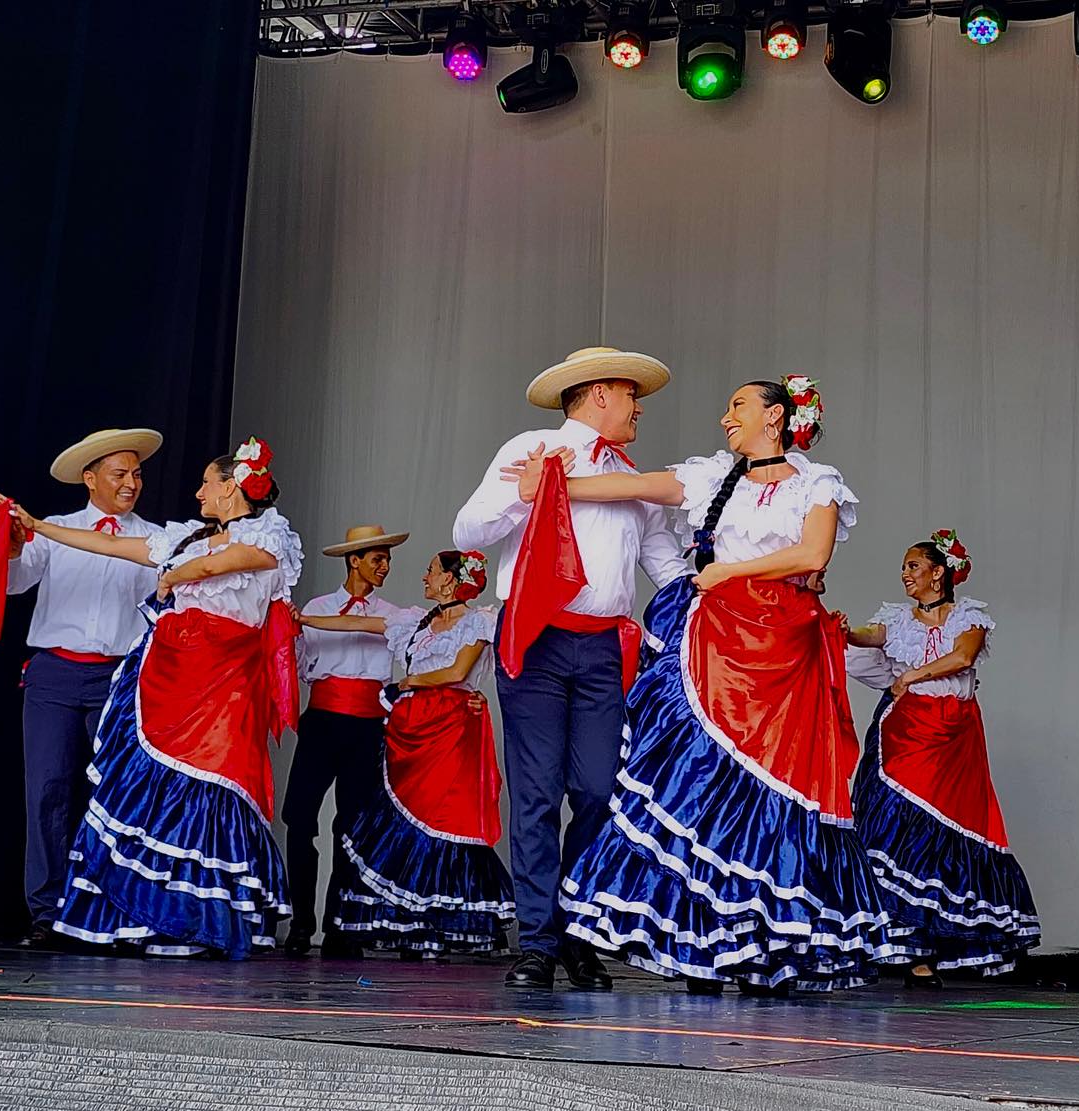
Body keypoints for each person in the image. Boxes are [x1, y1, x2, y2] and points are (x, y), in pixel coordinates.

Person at [514, 376, 897, 996]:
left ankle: (771, 946)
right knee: (704, 791)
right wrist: (555, 487)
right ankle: (710, 941)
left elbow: (811, 555)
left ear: (775, 416)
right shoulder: (713, 475)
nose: (726, 417)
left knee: (775, 797)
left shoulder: (816, 483)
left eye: (738, 405)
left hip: (780, 657)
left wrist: (728, 571)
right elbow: (633, 487)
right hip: (713, 648)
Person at [0, 436, 302, 958]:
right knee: (131, 797)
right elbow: (108, 546)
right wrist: (39, 527)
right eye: (120, 473)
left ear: (231, 488)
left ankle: (202, 918)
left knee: (205, 795)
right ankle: (123, 915)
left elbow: (221, 565)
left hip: (220, 685)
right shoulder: (184, 538)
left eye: (206, 482)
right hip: (163, 682)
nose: (195, 490)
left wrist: (172, 577)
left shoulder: (262, 534)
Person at [453, 347, 685, 991]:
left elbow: (667, 570)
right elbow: (468, 530)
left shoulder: (633, 480)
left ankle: (578, 930)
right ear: (601, 393)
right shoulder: (532, 448)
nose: (639, 407)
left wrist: (722, 601)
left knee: (597, 789)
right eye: (632, 394)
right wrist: (520, 497)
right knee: (535, 792)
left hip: (606, 648)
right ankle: (537, 940)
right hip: (536, 636)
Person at [842, 531, 1040, 987]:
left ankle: (937, 945)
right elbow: (867, 637)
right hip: (905, 731)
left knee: (949, 828)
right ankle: (912, 952)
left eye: (914, 566)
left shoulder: (968, 617)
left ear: (939, 572)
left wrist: (914, 673)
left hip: (953, 735)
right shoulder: (897, 620)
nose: (905, 574)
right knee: (898, 827)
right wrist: (841, 629)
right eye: (904, 567)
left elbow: (964, 655)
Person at [296, 549, 514, 958]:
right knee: (404, 821)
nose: (424, 577)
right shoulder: (415, 621)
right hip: (411, 729)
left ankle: (440, 922)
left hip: (450, 729)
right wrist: (304, 619)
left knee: (442, 818)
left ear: (451, 579)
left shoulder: (478, 621)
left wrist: (412, 679)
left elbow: (456, 674)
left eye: (431, 570)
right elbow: (357, 622)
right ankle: (409, 922)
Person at [0, 428, 164, 949]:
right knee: (46, 789)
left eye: (137, 473)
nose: (132, 483)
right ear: (90, 479)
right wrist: (11, 541)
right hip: (53, 675)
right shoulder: (57, 530)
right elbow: (12, 582)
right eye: (120, 474)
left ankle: (112, 912)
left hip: (119, 679)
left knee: (115, 797)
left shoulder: (154, 540)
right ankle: (47, 911)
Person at [284, 524, 411, 959]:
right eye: (378, 558)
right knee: (299, 819)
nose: (385, 566)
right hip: (322, 720)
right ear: (354, 560)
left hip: (368, 727)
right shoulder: (318, 607)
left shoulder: (394, 615)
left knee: (352, 828)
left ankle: (343, 925)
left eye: (388, 559)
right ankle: (301, 923)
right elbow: (300, 666)